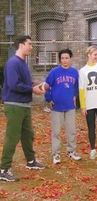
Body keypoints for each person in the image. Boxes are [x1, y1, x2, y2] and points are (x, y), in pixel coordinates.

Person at [0, 35, 45, 182]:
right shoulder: (13, 63)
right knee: (12, 137)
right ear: (21, 45)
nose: (31, 47)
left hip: (24, 106)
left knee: (28, 135)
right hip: (14, 105)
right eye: (29, 44)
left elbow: (23, 82)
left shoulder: (23, 62)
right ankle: (3, 169)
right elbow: (14, 85)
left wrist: (35, 83)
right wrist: (33, 89)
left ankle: (31, 161)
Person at [45, 48, 81, 164]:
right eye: (62, 58)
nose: (64, 60)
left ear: (70, 59)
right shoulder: (54, 72)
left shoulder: (74, 72)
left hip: (70, 106)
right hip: (57, 106)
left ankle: (72, 151)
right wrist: (48, 99)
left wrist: (75, 97)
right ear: (60, 60)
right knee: (56, 131)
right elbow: (47, 86)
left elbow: (76, 87)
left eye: (66, 58)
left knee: (71, 130)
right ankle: (56, 154)